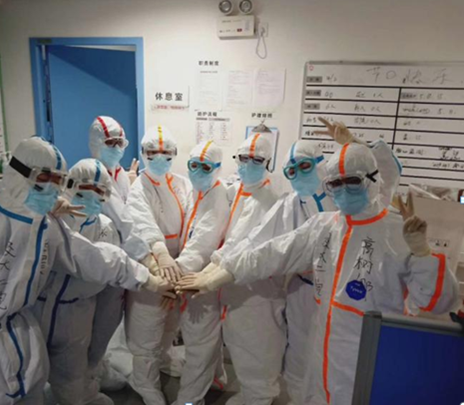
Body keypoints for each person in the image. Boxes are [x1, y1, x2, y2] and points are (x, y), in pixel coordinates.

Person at [178, 142, 459, 405]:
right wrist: (218, 275)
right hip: (321, 338)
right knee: (307, 385)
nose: (343, 190)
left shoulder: (398, 234)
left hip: (370, 350)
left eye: (352, 181)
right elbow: (272, 252)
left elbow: (437, 303)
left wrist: (423, 255)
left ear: (373, 179)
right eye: (336, 183)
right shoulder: (325, 226)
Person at [0, 137, 170, 405]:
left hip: (22, 340)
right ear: (19, 173)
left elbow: (90, 256)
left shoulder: (43, 226)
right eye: (45, 178)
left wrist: (147, 279)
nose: (52, 189)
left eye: (58, 181)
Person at [33, 158, 135, 405]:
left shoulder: (106, 228)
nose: (93, 197)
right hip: (35, 308)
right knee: (30, 371)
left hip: (76, 311)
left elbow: (107, 277)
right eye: (85, 189)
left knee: (73, 375)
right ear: (70, 184)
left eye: (100, 192)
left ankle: (86, 386)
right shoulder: (49, 217)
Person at [201, 133, 286, 405]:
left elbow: (242, 243)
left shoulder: (270, 199)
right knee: (239, 343)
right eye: (243, 159)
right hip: (234, 284)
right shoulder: (239, 189)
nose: (248, 165)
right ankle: (252, 395)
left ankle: (259, 397)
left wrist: (209, 272)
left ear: (268, 162)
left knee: (256, 348)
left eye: (256, 160)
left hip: (257, 290)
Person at [124, 125, 192, 405]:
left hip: (179, 264)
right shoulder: (138, 187)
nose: (160, 158)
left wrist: (183, 262)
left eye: (166, 153)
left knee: (170, 321)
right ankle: (144, 380)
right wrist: (161, 257)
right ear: (143, 153)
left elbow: (193, 220)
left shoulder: (183, 183)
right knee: (147, 327)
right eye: (153, 152)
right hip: (150, 263)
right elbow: (142, 224)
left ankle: (163, 361)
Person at [88, 116, 151, 387]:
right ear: (96, 143)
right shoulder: (94, 174)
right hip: (101, 262)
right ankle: (90, 377)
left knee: (110, 320)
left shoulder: (120, 174)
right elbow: (122, 220)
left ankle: (98, 367)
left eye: (120, 143)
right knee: (95, 324)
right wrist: (148, 258)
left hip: (120, 260)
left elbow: (130, 214)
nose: (116, 148)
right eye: (110, 142)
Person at [173, 140, 230, 405]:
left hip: (201, 281)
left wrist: (174, 276)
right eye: (193, 165)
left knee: (198, 345)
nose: (197, 171)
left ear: (217, 168)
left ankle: (189, 400)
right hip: (193, 278)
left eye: (205, 167)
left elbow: (202, 244)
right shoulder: (197, 192)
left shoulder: (217, 197)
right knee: (207, 341)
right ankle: (217, 378)